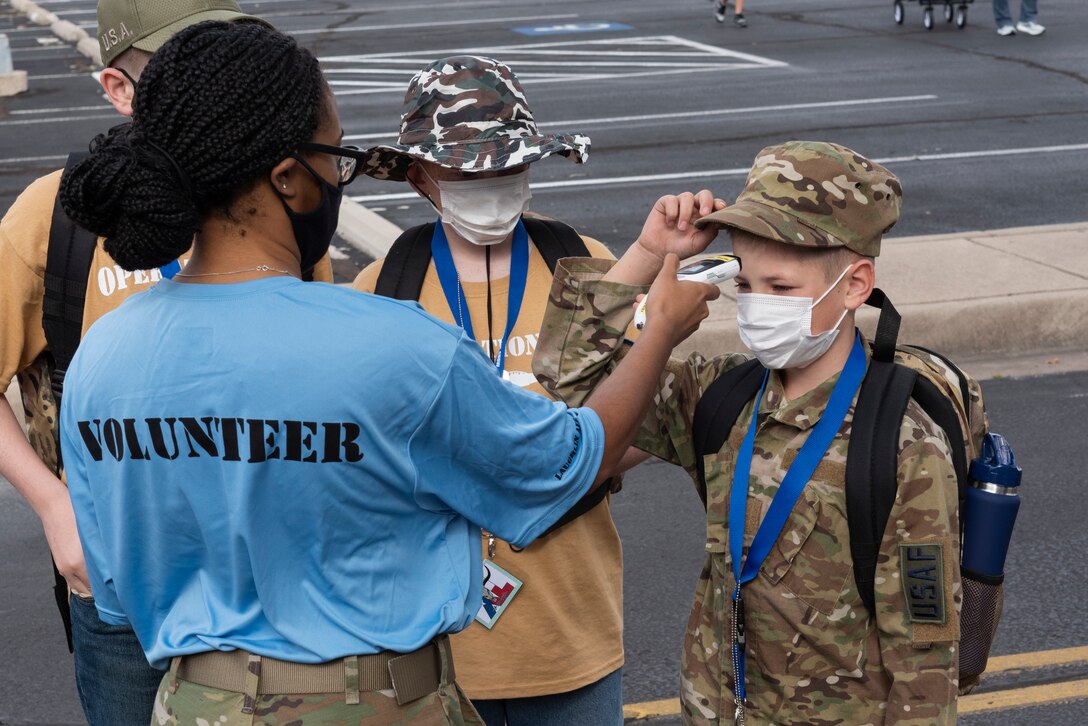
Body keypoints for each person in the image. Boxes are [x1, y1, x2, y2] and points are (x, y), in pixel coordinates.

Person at [56, 20, 720, 725]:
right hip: (369, 700)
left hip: (190, 701)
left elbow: (116, 589)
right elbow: (565, 466)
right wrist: (662, 332)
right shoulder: (389, 341)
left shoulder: (103, 355)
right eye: (333, 158)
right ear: (287, 177)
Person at [533, 141, 961, 725]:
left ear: (857, 284)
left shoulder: (902, 444)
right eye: (747, 286)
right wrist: (647, 253)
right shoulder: (721, 397)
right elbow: (573, 381)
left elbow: (924, 661)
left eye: (781, 288)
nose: (758, 306)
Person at [0, 1, 333, 723]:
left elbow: (321, 366)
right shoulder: (54, 214)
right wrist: (56, 512)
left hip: (270, 572)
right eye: (180, 58)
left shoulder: (275, 193)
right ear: (117, 90)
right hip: (122, 582)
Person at [353, 55, 684, 726]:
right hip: (426, 653)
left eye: (508, 167)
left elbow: (652, 411)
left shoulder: (588, 266)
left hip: (570, 640)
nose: (493, 184)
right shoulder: (382, 289)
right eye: (467, 172)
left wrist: (573, 459)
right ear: (420, 179)